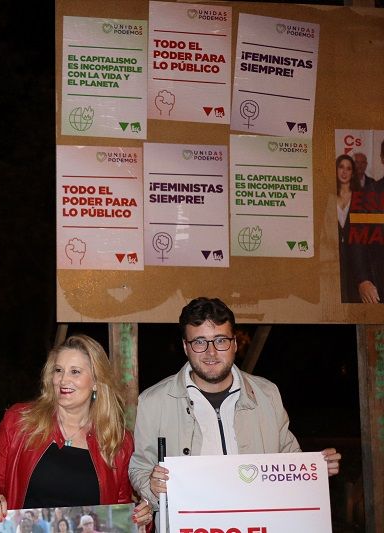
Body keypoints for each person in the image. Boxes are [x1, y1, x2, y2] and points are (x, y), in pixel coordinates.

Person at [128, 297, 342, 528]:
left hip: (259, 525)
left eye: (220, 340)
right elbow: (140, 467)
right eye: (199, 342)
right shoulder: (153, 401)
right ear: (185, 346)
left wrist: (315, 469)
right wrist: (152, 486)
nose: (211, 352)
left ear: (235, 344)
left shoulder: (267, 394)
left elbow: (288, 458)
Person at [0, 335, 151, 528]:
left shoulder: (118, 440)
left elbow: (120, 511)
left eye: (75, 372)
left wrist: (140, 519)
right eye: (58, 370)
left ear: (96, 382)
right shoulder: (19, 421)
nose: (63, 379)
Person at [335, 154, 361, 302]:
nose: (344, 172)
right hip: (333, 258)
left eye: (348, 168)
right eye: (341, 167)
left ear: (353, 173)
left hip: (355, 258)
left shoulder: (360, 197)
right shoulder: (327, 194)